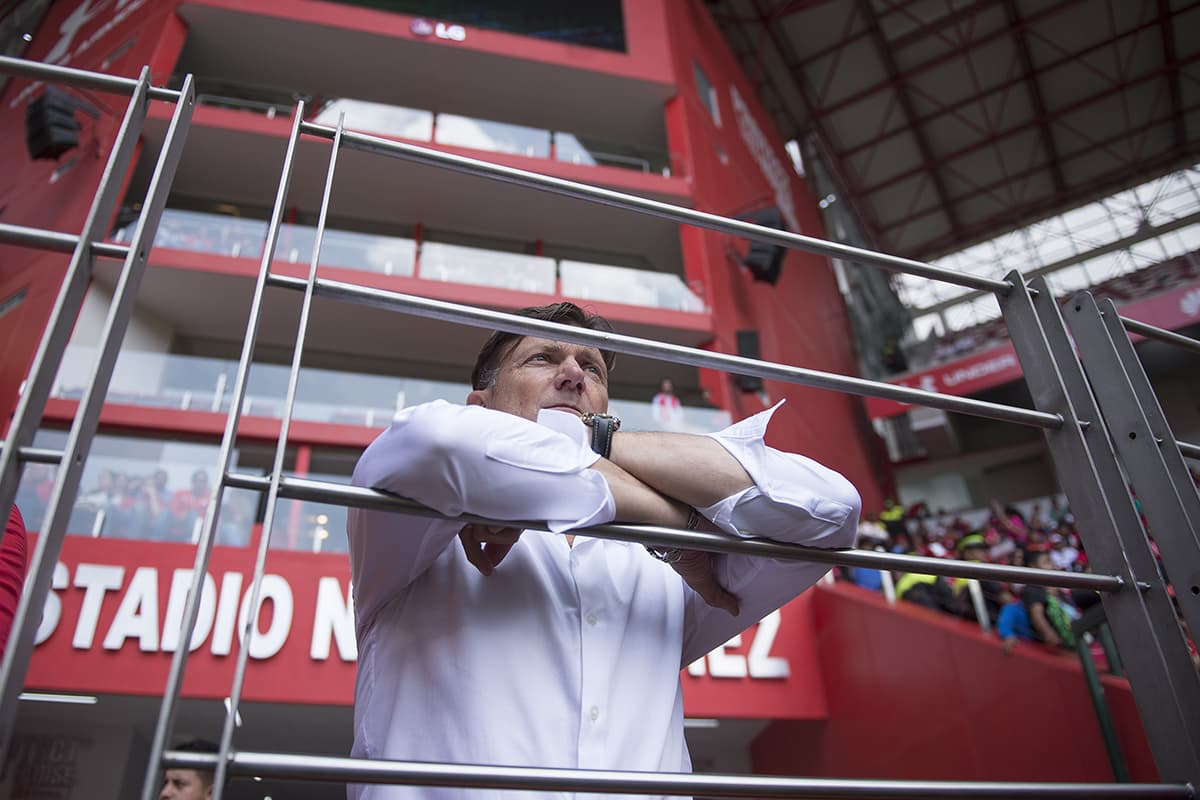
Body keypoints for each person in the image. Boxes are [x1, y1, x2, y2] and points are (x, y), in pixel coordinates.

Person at [347, 302, 860, 800]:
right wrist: (672, 524)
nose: (573, 375)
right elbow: (438, 441)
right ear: (480, 405)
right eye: (542, 358)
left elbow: (832, 511)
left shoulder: (662, 569)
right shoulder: (416, 528)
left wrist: (591, 443)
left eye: (591, 367)